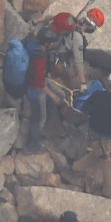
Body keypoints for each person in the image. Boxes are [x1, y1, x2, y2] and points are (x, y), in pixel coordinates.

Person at [80, 70, 111, 198]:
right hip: (105, 140)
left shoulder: (96, 95)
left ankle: (74, 169)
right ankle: (110, 194)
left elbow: (84, 108)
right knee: (109, 166)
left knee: (94, 155)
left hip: (92, 134)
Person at [23, 27, 65, 155]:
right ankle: (32, 145)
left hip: (39, 80)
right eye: (52, 42)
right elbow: (40, 83)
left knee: (61, 95)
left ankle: (48, 118)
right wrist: (52, 95)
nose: (53, 44)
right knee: (38, 119)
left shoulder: (36, 46)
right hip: (35, 88)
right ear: (46, 43)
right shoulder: (38, 59)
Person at [46, 8, 105, 91]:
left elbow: (50, 17)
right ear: (91, 27)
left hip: (50, 49)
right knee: (69, 77)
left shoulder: (71, 20)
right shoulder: (78, 38)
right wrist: (83, 83)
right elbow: (78, 61)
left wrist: (35, 22)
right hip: (55, 59)